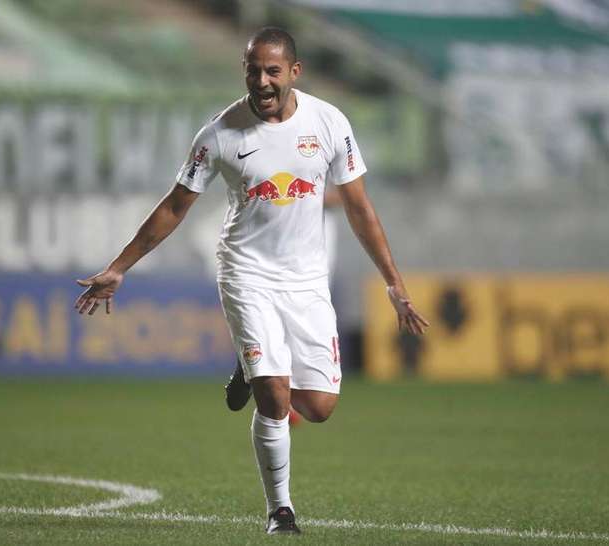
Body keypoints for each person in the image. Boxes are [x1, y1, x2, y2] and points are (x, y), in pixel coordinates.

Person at [74, 27, 429, 535]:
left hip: (306, 281)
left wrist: (393, 282)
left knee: (321, 406)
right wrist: (119, 266)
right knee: (276, 399)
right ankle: (280, 510)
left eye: (272, 71)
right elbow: (175, 206)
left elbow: (359, 208)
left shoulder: (329, 123)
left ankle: (249, 366)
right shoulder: (220, 134)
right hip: (247, 273)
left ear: (294, 73)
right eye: (252, 70)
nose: (261, 81)